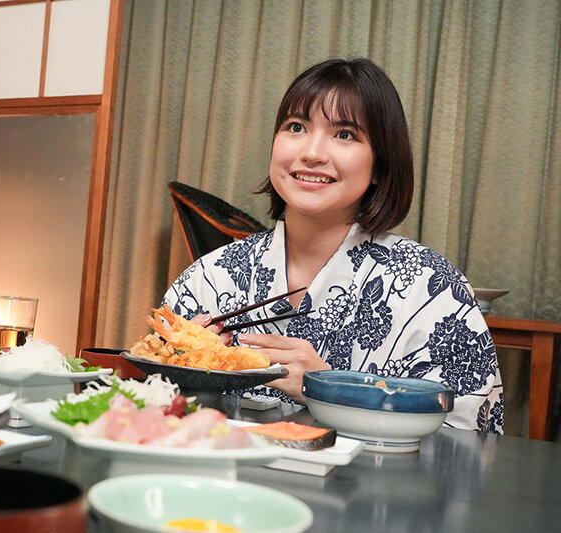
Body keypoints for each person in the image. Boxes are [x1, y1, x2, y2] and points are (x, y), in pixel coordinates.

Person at [162, 58, 504, 433]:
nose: (311, 153)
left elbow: (471, 439)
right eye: (296, 127)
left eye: (345, 134)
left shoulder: (432, 288)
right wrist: (187, 371)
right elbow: (147, 409)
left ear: (380, 167)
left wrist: (334, 392)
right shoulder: (209, 280)